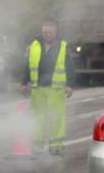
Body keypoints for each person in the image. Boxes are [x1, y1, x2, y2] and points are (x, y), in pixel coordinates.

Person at [19, 19, 73, 156]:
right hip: (38, 88)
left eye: (50, 32)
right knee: (38, 117)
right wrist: (24, 83)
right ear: (42, 31)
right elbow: (27, 65)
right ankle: (37, 145)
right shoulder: (34, 46)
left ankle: (56, 145)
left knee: (56, 117)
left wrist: (69, 85)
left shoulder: (63, 46)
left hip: (56, 89)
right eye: (45, 32)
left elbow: (70, 67)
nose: (47, 35)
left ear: (56, 32)